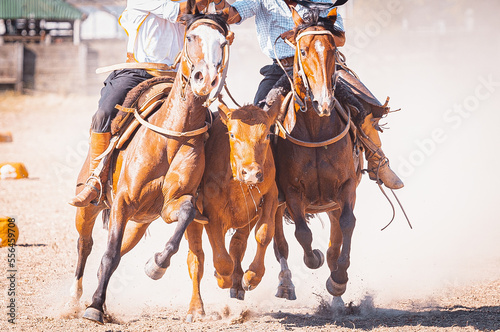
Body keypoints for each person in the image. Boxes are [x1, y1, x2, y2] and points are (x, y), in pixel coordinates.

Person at [221, 0, 404, 189]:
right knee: (258, 119)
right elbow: (232, 14)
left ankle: (378, 161)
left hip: (321, 65)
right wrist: (217, 3)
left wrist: (302, 34)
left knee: (362, 104)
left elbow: (340, 39)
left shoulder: (321, 1)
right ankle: (264, 183)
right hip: (282, 68)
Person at [69, 0, 212, 207]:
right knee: (104, 112)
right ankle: (95, 180)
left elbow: (208, 13)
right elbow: (184, 10)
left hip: (176, 75)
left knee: (208, 122)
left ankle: (204, 188)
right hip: (138, 71)